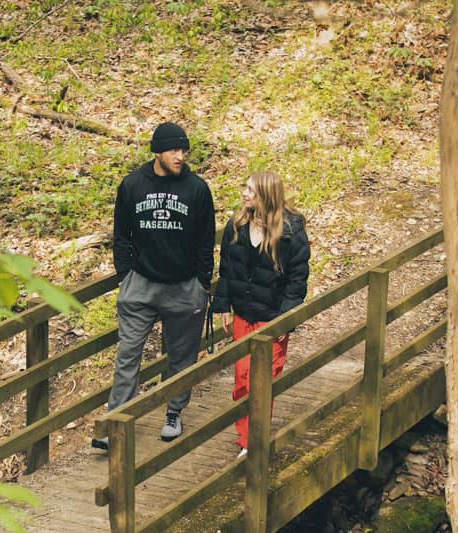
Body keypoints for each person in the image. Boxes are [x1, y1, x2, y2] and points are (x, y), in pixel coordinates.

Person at [92, 122, 216, 451]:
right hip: (141, 286)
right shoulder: (133, 185)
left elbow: (206, 241)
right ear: (157, 151)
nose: (181, 156)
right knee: (128, 355)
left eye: (184, 150)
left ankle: (173, 413)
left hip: (184, 287)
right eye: (174, 150)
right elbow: (122, 235)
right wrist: (125, 276)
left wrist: (202, 283)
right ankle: (115, 423)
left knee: (181, 357)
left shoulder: (197, 189)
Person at [210, 170, 310, 456]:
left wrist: (285, 320)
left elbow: (297, 279)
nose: (244, 194)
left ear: (266, 195)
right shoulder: (238, 225)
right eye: (245, 188)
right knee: (243, 378)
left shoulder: (290, 231)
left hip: (271, 317)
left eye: (251, 191)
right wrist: (222, 305)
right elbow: (227, 268)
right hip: (244, 312)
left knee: (263, 379)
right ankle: (246, 438)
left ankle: (254, 440)